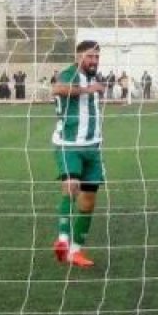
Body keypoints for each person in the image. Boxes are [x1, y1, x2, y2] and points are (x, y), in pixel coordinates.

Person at [51, 40, 107, 268]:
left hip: (93, 147)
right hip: (68, 144)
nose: (93, 60)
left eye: (96, 56)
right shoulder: (69, 73)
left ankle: (75, 251)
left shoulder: (94, 77)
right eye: (89, 56)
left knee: (88, 201)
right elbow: (57, 89)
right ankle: (62, 239)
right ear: (78, 56)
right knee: (71, 186)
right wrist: (87, 90)